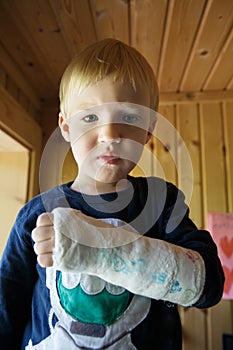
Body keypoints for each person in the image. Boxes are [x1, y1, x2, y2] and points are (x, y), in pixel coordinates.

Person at [0, 38, 224, 350]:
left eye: (129, 118)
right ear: (65, 126)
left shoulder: (162, 204)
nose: (110, 135)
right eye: (90, 117)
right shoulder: (36, 215)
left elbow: (208, 285)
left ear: (148, 130)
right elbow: (7, 309)